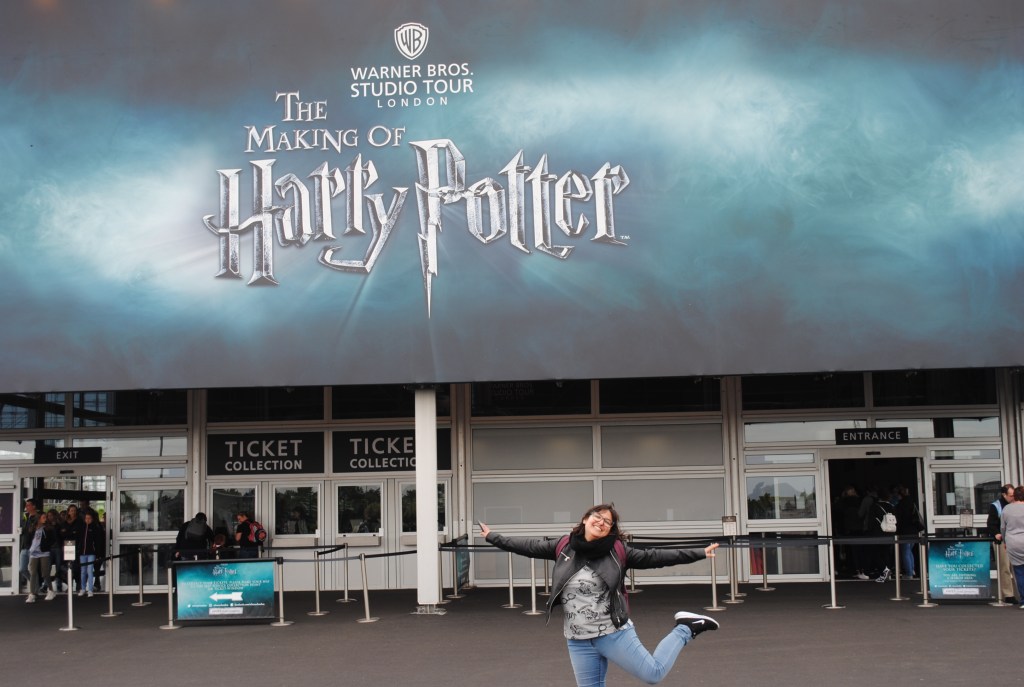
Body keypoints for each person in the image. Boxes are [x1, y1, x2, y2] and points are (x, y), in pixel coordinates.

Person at [480, 504, 719, 687]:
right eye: (598, 516)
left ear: (610, 530)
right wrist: (493, 537)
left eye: (608, 522)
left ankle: (685, 628)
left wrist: (698, 553)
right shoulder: (563, 546)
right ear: (585, 519)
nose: (602, 522)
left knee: (653, 674)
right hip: (578, 639)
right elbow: (527, 546)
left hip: (612, 633)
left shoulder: (618, 551)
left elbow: (655, 557)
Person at [987, 483, 1017, 603]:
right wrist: (996, 534)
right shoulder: (996, 506)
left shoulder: (1016, 504)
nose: (1013, 498)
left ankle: (1021, 593)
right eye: (1011, 495)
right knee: (1005, 567)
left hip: (1015, 540)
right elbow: (991, 524)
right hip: (1002, 540)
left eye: (1014, 495)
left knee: (1018, 568)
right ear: (1004, 494)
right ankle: (1008, 594)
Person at [1000, 486, 1024, 610]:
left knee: (1019, 572)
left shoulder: (1006, 509)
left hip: (1013, 542)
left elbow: (1003, 528)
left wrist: (1005, 541)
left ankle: (1023, 600)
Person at [893, 485, 924, 579]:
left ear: (900, 495)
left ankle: (909, 573)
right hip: (914, 531)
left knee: (905, 551)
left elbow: (899, 520)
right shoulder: (912, 502)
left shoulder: (900, 505)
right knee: (909, 551)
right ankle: (912, 569)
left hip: (905, 531)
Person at [26, 512, 56, 603]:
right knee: (33, 573)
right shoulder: (32, 528)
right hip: (33, 553)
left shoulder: (48, 528)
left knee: (45, 573)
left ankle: (51, 590)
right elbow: (28, 539)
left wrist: (46, 546)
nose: (45, 519)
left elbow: (53, 540)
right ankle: (32, 594)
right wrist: (29, 547)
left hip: (44, 552)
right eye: (43, 517)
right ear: (38, 518)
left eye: (45, 517)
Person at [78, 511, 105, 597]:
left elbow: (98, 542)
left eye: (89, 518)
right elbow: (79, 540)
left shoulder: (95, 528)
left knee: (90, 571)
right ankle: (83, 589)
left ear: (92, 519)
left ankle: (90, 590)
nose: (87, 520)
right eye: (86, 518)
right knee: (83, 571)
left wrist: (97, 553)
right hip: (82, 553)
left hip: (91, 553)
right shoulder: (82, 527)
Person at [19, 497, 39, 592]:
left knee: (33, 570)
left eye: (28, 505)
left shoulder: (38, 517)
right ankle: (34, 584)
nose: (26, 507)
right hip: (24, 546)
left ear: (33, 506)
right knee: (22, 569)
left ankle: (35, 590)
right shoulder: (25, 517)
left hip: (33, 547)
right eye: (26, 505)